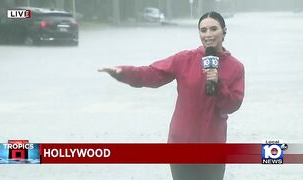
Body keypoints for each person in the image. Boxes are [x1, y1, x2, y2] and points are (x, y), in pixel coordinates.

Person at [98, 11, 244, 180]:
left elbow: (232, 105)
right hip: (181, 144)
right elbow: (151, 74)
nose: (208, 34)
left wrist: (218, 84)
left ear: (224, 31)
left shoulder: (236, 67)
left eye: (213, 29)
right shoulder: (184, 59)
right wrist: (122, 72)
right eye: (203, 30)